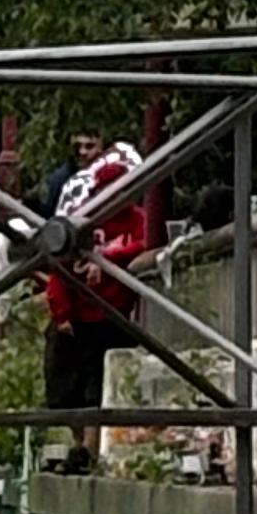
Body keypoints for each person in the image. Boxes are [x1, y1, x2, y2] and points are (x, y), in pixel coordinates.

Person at [38, 132, 156, 472]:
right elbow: (58, 265)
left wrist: (108, 258)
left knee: (95, 388)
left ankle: (87, 452)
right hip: (76, 317)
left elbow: (145, 245)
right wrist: (60, 311)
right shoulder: (83, 221)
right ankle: (78, 444)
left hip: (110, 317)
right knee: (62, 389)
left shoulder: (135, 220)